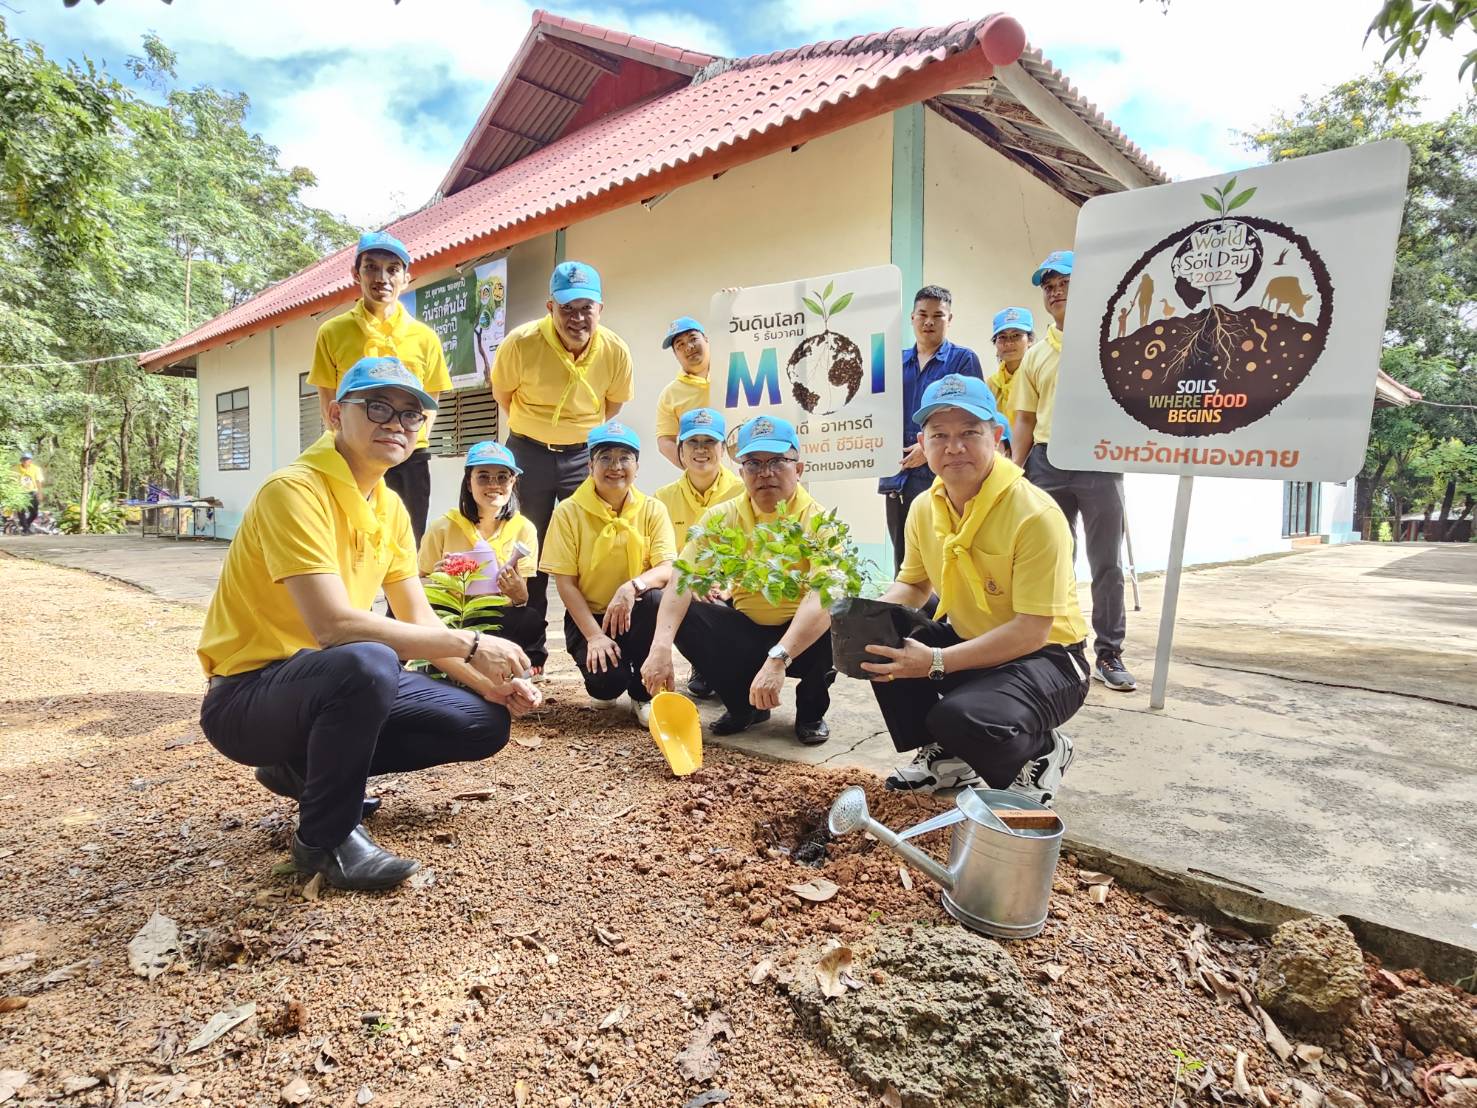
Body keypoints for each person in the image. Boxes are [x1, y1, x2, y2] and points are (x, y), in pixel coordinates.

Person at [196, 357, 539, 891]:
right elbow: (332, 625)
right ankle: (325, 840)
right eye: (378, 407)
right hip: (248, 695)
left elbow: (416, 614)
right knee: (367, 658)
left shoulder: (391, 507)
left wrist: (489, 687)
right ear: (335, 414)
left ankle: (303, 769)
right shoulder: (295, 491)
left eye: (410, 415)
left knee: (481, 724)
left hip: (327, 681)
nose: (397, 425)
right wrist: (471, 643)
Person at [863, 374, 1089, 799]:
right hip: (975, 638)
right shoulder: (924, 506)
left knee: (961, 715)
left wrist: (935, 661)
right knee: (884, 643)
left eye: (970, 432)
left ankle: (1040, 754)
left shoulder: (1034, 514)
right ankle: (948, 758)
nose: (954, 447)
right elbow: (912, 584)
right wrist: (865, 618)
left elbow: (1032, 629)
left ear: (997, 436)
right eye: (940, 435)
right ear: (922, 442)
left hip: (1052, 659)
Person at [642, 415, 836, 745]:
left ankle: (811, 712)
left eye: (777, 462)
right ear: (741, 472)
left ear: (799, 469)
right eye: (754, 464)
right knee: (681, 608)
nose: (766, 473)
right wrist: (660, 648)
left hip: (800, 637)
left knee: (837, 610)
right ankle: (745, 706)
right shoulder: (723, 516)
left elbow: (824, 595)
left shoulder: (817, 521)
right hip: (748, 625)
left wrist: (779, 658)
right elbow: (682, 577)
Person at [1011, 251, 1136, 692]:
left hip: (1101, 463)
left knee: (1106, 564)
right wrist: (1015, 470)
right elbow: (1024, 418)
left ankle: (1110, 653)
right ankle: (1062, 647)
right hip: (1047, 463)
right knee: (1051, 561)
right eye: (1048, 285)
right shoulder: (1035, 356)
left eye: (1064, 281)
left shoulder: (1114, 342)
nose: (1055, 290)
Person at [491, 261, 634, 635]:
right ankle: (529, 645)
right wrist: (538, 429)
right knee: (526, 546)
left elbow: (612, 404)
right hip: (527, 453)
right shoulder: (520, 343)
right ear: (550, 307)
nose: (577, 318)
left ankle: (591, 640)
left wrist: (575, 434)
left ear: (600, 309)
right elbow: (502, 395)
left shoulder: (615, 351)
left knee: (589, 547)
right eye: (566, 308)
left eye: (586, 307)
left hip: (583, 458)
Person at [307, 231, 451, 545]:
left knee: (404, 541)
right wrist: (344, 442)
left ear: (406, 278)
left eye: (392, 269)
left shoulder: (425, 338)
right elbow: (328, 395)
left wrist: (410, 441)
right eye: (371, 267)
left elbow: (433, 396)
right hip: (350, 453)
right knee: (345, 537)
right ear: (355, 274)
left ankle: (398, 597)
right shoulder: (332, 332)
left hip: (407, 457)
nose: (381, 277)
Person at [541, 420, 675, 726]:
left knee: (655, 598)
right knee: (607, 685)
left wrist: (631, 587)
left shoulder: (653, 509)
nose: (616, 466)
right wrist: (594, 636)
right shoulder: (568, 512)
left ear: (637, 467)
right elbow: (566, 583)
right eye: (605, 458)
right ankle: (611, 680)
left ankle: (643, 694)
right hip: (590, 615)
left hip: (637, 610)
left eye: (624, 458)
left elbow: (667, 568)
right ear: (590, 465)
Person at [418, 440, 547, 674]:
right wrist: (438, 580)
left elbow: (521, 599)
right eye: (483, 476)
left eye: (502, 477)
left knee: (530, 619)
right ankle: (441, 669)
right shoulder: (442, 527)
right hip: (454, 617)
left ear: (513, 482)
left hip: (497, 617)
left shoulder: (524, 529)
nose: (493, 485)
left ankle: (518, 670)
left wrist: (517, 592)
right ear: (469, 482)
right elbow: (416, 585)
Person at [881, 286, 985, 575]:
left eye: (938, 316)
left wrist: (928, 449)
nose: (929, 322)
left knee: (950, 555)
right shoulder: (892, 362)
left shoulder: (963, 360)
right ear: (912, 318)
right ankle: (913, 621)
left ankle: (953, 620)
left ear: (949, 319)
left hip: (946, 473)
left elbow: (970, 417)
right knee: (905, 562)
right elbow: (874, 411)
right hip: (897, 475)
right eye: (923, 315)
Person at [651, 407, 743, 699]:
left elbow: (752, 552)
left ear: (723, 449)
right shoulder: (662, 498)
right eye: (693, 442)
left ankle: (737, 673)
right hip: (685, 582)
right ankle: (702, 665)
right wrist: (691, 582)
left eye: (709, 442)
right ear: (680, 450)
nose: (701, 450)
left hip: (732, 585)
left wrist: (729, 585)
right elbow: (662, 557)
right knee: (665, 602)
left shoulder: (745, 491)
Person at [654, 316, 713, 468]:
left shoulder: (733, 370)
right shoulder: (670, 394)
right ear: (675, 354)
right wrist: (691, 467)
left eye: (693, 339)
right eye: (680, 345)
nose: (689, 347)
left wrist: (732, 299)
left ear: (706, 339)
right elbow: (665, 440)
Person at [985, 307, 1034, 426]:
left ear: (1030, 340)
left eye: (1016, 335)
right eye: (1002, 337)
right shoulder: (991, 385)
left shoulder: (1035, 378)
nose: (1009, 343)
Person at [13, 451, 43, 534]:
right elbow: (11, 480)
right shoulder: (15, 468)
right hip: (19, 493)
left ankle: (26, 524)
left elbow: (38, 481)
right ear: (21, 460)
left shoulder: (36, 469)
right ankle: (26, 529)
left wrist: (40, 493)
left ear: (30, 461)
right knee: (20, 511)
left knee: (34, 512)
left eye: (27, 459)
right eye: (23, 459)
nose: (25, 461)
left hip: (32, 492)